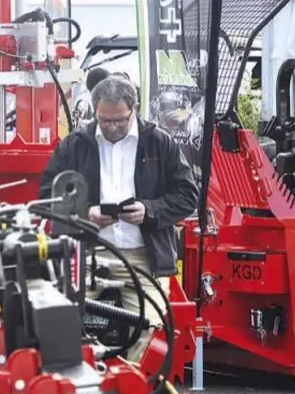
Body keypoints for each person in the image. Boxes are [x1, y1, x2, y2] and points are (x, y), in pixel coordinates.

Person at [38, 75, 198, 362]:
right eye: (104, 120)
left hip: (142, 256)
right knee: (56, 322)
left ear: (133, 109)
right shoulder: (75, 144)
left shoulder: (161, 143)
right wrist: (85, 214)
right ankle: (77, 387)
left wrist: (149, 210)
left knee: (154, 330)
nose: (111, 127)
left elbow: (188, 195)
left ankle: (127, 386)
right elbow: (48, 194)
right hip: (86, 252)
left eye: (119, 120)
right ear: (95, 111)